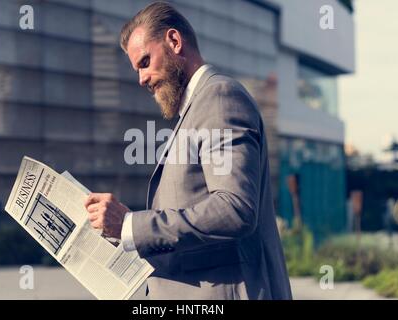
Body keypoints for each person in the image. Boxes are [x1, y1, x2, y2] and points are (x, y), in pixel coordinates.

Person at [84, 2, 292, 300]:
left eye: (145, 61)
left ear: (174, 41)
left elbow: (234, 208)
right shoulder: (195, 111)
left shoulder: (218, 98)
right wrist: (127, 230)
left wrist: (132, 226)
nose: (141, 78)